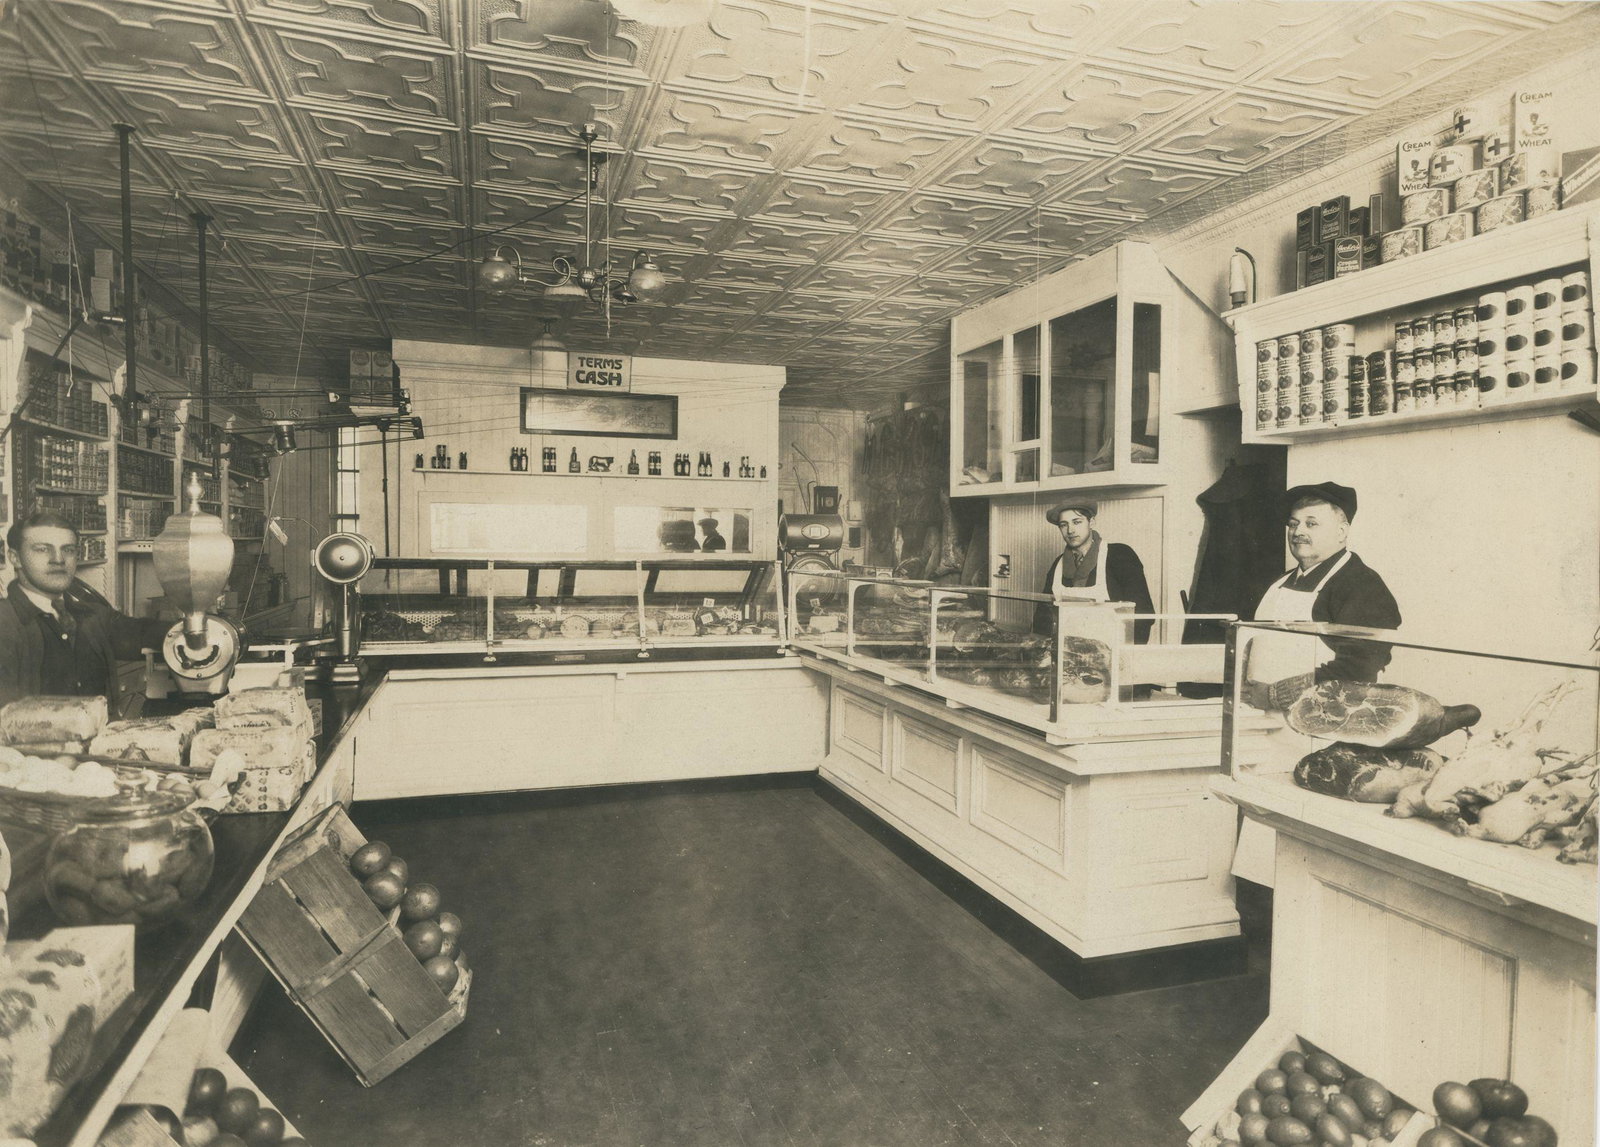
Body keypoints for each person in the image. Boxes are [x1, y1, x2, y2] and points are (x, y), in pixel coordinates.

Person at [1245, 481, 1401, 709]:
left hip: (1321, 729)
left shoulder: (1361, 585)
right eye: (1293, 524)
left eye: (1311, 524)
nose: (1298, 532)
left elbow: (1358, 671)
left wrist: (1273, 696)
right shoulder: (1278, 584)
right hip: (1261, 725)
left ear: (1341, 532)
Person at [0, 510, 170, 708]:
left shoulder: (91, 616)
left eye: (68, 550)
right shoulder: (5, 624)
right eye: (42, 549)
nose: (58, 559)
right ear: (15, 558)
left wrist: (201, 625)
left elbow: (144, 633)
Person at [1031, 501, 1154, 643]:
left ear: (1091, 522)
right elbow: (1042, 616)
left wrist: (1129, 658)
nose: (1070, 530)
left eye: (1077, 522)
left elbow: (1143, 614)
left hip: (1113, 655)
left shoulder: (1119, 555)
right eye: (1064, 525)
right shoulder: (1058, 564)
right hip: (1069, 656)